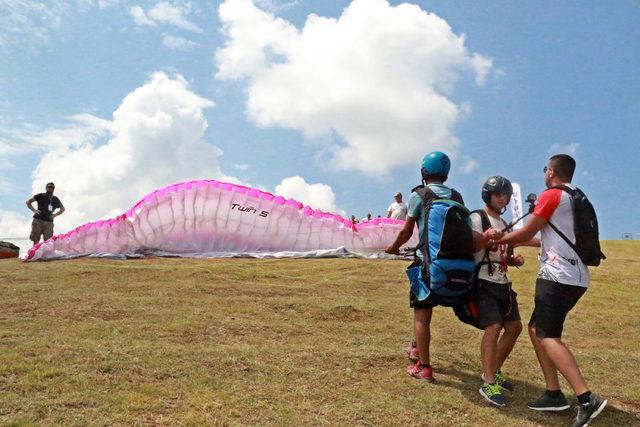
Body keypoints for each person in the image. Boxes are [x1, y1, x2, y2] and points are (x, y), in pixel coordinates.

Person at [497, 155, 607, 426]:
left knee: (548, 335)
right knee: (537, 330)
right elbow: (548, 238)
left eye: (546, 168)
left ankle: (585, 398)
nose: (544, 172)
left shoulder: (551, 195)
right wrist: (518, 242)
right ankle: (553, 393)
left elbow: (524, 233)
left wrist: (498, 240)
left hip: (557, 277)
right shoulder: (572, 196)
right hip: (575, 275)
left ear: (552, 172)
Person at [385, 151, 464, 382]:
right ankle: (415, 347)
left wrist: (392, 248)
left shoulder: (418, 195)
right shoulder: (457, 197)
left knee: (422, 315)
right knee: (425, 314)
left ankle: (424, 366)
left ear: (424, 172)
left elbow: (407, 230)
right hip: (454, 264)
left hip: (426, 263)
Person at [471, 176, 528, 407]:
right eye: (498, 194)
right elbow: (470, 245)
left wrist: (512, 260)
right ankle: (488, 383)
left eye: (506, 195)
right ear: (488, 195)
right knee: (493, 327)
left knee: (514, 327)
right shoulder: (477, 217)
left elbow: (501, 254)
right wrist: (486, 238)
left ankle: (492, 371)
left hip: (502, 282)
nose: (502, 198)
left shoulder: (505, 223)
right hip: (482, 281)